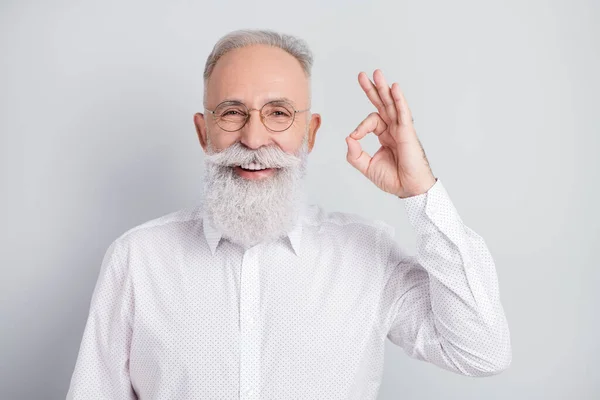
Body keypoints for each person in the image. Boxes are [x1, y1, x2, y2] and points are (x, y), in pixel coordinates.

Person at [66, 29, 511, 400]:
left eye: (278, 113)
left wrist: (420, 190)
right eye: (232, 112)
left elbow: (481, 351)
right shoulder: (138, 259)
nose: (255, 138)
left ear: (309, 133)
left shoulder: (367, 254)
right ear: (204, 133)